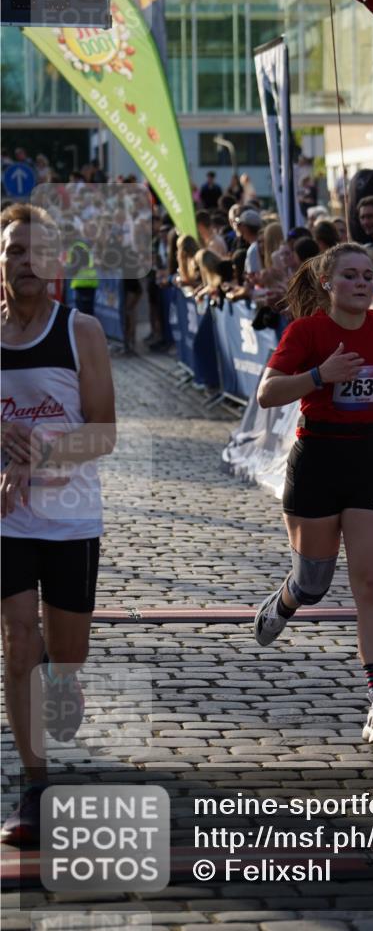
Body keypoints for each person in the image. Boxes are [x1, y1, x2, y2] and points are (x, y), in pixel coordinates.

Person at [254, 243, 373, 750]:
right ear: (328, 283)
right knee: (314, 582)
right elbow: (267, 393)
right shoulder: (306, 332)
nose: (362, 283)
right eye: (350, 275)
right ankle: (288, 598)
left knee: (371, 585)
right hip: (317, 460)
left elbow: (371, 371)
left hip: (369, 457)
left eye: (368, 275)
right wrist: (318, 376)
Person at [0, 203, 116, 846]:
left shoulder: (81, 331)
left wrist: (37, 455)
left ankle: (61, 675)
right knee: (18, 642)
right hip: (7, 521)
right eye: (14, 250)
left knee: (66, 656)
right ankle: (35, 783)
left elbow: (104, 433)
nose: (25, 261)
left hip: (71, 519)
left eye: (37, 251)